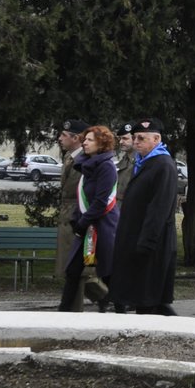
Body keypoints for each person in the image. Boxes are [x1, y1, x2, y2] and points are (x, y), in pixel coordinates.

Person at [108, 117, 180, 316]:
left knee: (149, 300)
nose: (136, 141)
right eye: (135, 137)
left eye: (141, 138)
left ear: (156, 139)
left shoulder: (163, 165)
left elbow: (159, 209)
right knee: (146, 299)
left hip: (152, 244)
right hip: (137, 239)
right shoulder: (144, 163)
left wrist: (146, 242)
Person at [62, 125, 120, 313]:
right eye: (84, 139)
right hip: (86, 225)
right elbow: (84, 196)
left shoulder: (106, 167)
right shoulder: (88, 164)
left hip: (102, 226)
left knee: (108, 273)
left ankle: (120, 309)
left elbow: (100, 201)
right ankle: (64, 312)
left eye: (89, 140)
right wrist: (77, 220)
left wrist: (82, 222)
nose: (84, 142)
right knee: (72, 271)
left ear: (101, 143)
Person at [54, 119, 89, 312]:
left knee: (76, 268)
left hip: (76, 217)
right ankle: (70, 307)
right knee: (70, 268)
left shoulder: (84, 159)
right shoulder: (69, 157)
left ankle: (72, 309)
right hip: (67, 216)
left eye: (64, 135)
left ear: (76, 138)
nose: (60, 138)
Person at [114, 122, 135, 196]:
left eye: (125, 138)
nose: (120, 142)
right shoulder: (125, 158)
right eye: (120, 139)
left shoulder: (140, 161)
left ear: (135, 139)